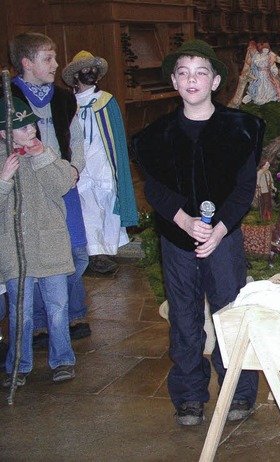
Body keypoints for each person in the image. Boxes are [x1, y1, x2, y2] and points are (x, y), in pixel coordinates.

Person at [132, 40, 265, 426]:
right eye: (184, 73)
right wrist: (183, 220)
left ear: (216, 80)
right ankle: (189, 394)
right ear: (174, 81)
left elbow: (243, 189)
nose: (193, 80)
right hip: (177, 239)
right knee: (185, 317)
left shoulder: (240, 129)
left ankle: (239, 390)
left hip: (223, 238)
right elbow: (154, 187)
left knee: (229, 312)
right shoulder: (154, 136)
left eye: (201, 72)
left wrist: (220, 229)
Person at [8, 32, 90, 344]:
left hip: (62, 182)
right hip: (28, 189)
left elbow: (77, 138)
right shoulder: (8, 97)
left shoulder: (63, 98)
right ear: (27, 63)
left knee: (76, 252)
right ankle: (41, 321)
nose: (56, 64)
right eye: (48, 59)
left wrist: (74, 168)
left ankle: (71, 312)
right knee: (34, 253)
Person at [0, 96, 76, 385]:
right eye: (22, 128)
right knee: (21, 312)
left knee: (58, 308)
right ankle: (19, 365)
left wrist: (42, 156)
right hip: (14, 249)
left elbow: (63, 185)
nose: (31, 131)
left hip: (50, 243)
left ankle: (63, 359)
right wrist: (4, 180)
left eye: (31, 124)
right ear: (4, 132)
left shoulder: (46, 153)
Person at [61, 51, 139, 275]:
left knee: (107, 209)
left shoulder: (106, 100)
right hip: (81, 167)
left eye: (94, 70)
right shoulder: (67, 103)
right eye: (86, 70)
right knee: (87, 211)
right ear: (76, 75)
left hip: (104, 166)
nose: (91, 73)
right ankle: (94, 255)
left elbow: (115, 136)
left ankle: (105, 250)